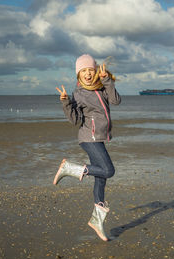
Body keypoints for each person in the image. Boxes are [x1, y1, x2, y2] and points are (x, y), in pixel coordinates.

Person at [53, 54, 121, 241]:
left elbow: (115, 101)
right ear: (78, 75)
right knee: (108, 170)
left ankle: (97, 221)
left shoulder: (101, 88)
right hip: (88, 138)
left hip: (98, 138)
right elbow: (75, 120)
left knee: (101, 178)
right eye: (83, 71)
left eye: (90, 70)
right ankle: (70, 168)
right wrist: (66, 102)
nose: (88, 74)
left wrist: (107, 80)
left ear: (95, 71)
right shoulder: (79, 94)